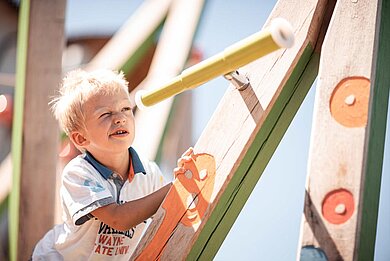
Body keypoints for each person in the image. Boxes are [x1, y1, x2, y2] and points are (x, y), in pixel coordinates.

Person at [32, 69, 191, 260]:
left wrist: (186, 178)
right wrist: (176, 187)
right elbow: (118, 219)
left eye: (125, 109)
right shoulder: (78, 174)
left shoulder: (149, 173)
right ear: (81, 138)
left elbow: (168, 212)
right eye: (105, 114)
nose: (120, 118)